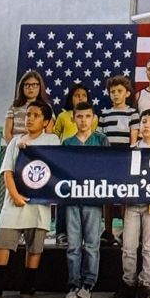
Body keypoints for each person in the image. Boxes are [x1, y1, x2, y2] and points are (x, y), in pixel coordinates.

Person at [0, 99, 59, 298]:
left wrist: (34, 151)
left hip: (39, 203)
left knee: (34, 246)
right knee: (3, 243)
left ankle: (28, 285)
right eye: (28, 115)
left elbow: (54, 166)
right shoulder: (16, 142)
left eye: (36, 116)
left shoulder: (52, 141)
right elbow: (7, 170)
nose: (30, 119)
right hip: (14, 202)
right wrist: (15, 195)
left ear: (45, 121)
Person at [113, 108, 150, 298]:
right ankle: (128, 282)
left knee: (149, 245)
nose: (146, 125)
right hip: (132, 204)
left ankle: (145, 283)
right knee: (128, 245)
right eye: (144, 121)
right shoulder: (133, 150)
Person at [62, 101, 110, 298]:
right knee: (73, 243)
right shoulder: (67, 143)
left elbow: (109, 168)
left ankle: (88, 283)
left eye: (87, 116)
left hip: (93, 198)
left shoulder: (101, 140)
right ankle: (73, 283)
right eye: (79, 117)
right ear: (74, 118)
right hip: (73, 199)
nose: (83, 120)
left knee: (91, 243)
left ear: (94, 118)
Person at [52, 83, 99, 245]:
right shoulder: (63, 117)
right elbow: (55, 136)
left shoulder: (94, 119)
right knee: (64, 200)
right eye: (77, 95)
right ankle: (61, 233)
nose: (80, 98)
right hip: (68, 161)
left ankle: (88, 235)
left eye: (83, 95)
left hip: (88, 164)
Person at [99, 74, 140, 247]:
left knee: (124, 195)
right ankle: (108, 231)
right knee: (107, 196)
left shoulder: (133, 113)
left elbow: (134, 138)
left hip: (124, 159)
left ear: (127, 93)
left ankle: (125, 231)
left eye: (119, 91)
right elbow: (101, 137)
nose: (116, 94)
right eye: (112, 92)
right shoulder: (104, 114)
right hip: (108, 159)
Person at [4, 71, 54, 143]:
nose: (31, 88)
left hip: (39, 144)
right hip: (17, 143)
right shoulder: (14, 106)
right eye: (27, 85)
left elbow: (48, 132)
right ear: (22, 87)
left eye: (34, 85)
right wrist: (13, 147)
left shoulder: (46, 106)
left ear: (40, 87)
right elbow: (7, 133)